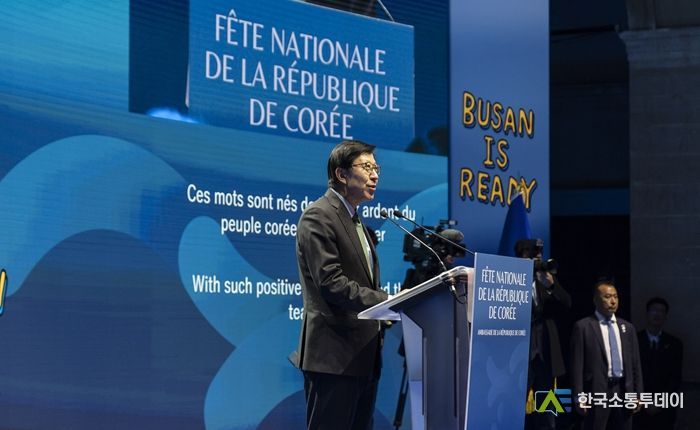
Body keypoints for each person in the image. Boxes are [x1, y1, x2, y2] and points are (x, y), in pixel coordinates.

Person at [294, 140, 389, 430]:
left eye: (376, 168)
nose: (375, 175)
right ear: (341, 174)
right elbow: (330, 283)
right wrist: (386, 302)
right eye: (367, 167)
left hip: (363, 358)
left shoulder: (356, 221)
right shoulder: (319, 215)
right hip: (333, 358)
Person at [571, 279, 643, 430]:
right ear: (595, 300)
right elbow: (577, 365)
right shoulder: (583, 327)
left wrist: (638, 393)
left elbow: (635, 364)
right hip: (596, 391)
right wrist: (579, 396)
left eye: (615, 297)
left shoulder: (627, 328)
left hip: (623, 390)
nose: (613, 301)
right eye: (607, 297)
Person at [516, 239, 571, 430]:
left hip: (545, 356)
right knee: (516, 408)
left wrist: (551, 285)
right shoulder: (510, 278)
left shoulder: (544, 278)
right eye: (532, 254)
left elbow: (567, 304)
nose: (537, 257)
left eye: (539, 254)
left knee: (547, 412)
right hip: (519, 356)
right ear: (521, 256)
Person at [634, 297, 683, 430]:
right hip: (638, 406)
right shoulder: (634, 340)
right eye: (654, 310)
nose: (657, 314)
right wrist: (644, 401)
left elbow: (675, 378)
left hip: (665, 407)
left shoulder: (675, 344)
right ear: (647, 313)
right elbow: (631, 375)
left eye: (661, 311)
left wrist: (660, 402)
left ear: (666, 316)